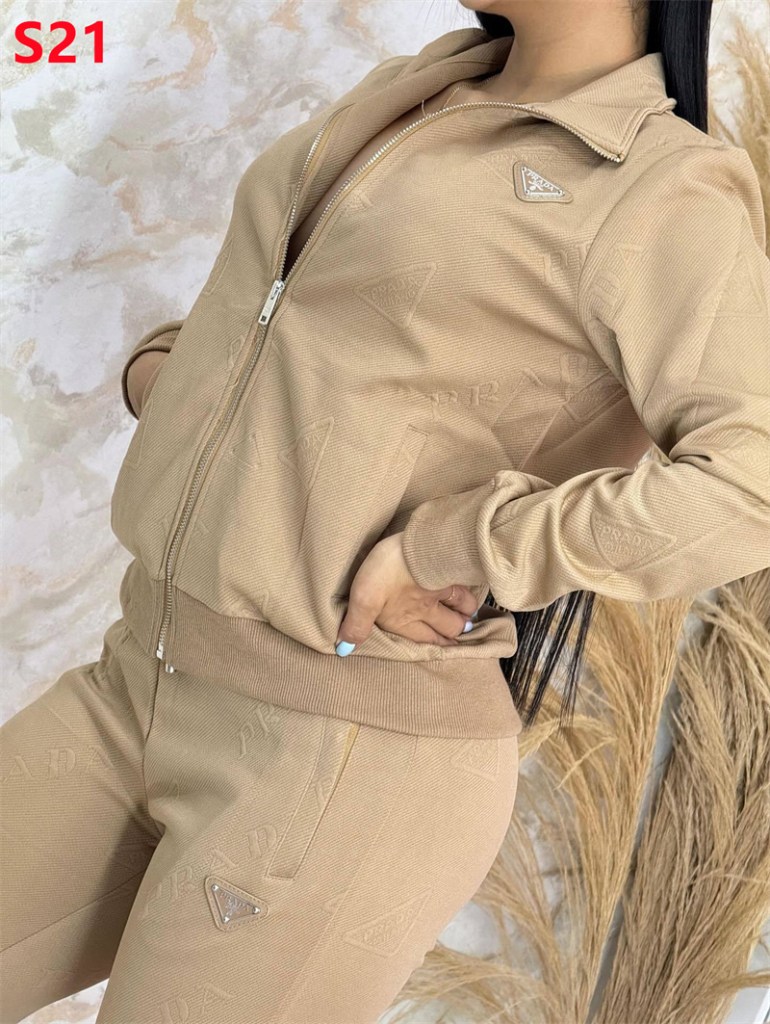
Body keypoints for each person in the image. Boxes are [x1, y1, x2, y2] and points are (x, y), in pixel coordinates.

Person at [2, 0, 769, 1020]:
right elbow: (319, 318)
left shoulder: (657, 185)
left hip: (341, 759)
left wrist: (459, 547)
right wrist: (173, 377)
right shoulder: (421, 88)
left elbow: (748, 482)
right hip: (140, 673)